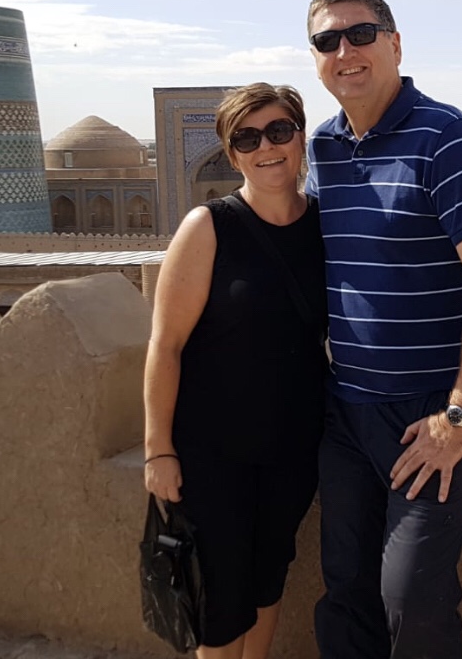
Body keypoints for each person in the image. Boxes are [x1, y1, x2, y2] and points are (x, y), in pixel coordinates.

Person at [304, 0, 462, 659]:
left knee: (411, 598)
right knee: (347, 590)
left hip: (434, 411)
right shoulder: (322, 148)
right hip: (350, 411)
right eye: (327, 40)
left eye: (361, 34)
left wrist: (459, 416)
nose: (345, 50)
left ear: (395, 44)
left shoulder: (446, 138)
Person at [143, 82, 327, 659]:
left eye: (278, 131)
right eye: (247, 139)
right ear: (231, 153)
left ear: (300, 136)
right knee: (222, 599)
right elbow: (166, 344)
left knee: (269, 575)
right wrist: (158, 449)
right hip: (213, 452)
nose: (265, 147)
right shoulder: (208, 226)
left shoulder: (325, 226)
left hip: (293, 445)